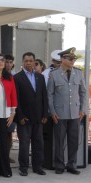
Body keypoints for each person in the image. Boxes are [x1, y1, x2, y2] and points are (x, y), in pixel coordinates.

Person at [47, 47, 86, 175]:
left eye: (73, 59)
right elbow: (50, 95)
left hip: (75, 112)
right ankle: (59, 165)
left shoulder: (79, 73)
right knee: (59, 141)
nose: (72, 61)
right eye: (69, 59)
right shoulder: (54, 74)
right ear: (62, 59)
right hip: (60, 113)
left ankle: (72, 165)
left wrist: (83, 109)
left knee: (74, 141)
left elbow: (83, 93)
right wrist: (52, 112)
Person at [14, 52, 48, 176]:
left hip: (39, 117)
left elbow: (44, 96)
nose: (29, 63)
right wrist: (20, 116)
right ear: (23, 62)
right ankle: (23, 167)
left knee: (38, 143)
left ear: (35, 62)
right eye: (26, 60)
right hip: (25, 118)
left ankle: (38, 166)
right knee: (24, 143)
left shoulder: (40, 77)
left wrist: (45, 114)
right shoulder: (17, 77)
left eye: (31, 61)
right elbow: (16, 99)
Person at [4, 54, 17, 163]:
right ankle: (1, 155)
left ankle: (6, 155)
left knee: (9, 133)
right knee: (0, 134)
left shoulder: (15, 76)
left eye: (10, 62)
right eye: (6, 62)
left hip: (11, 110)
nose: (8, 64)